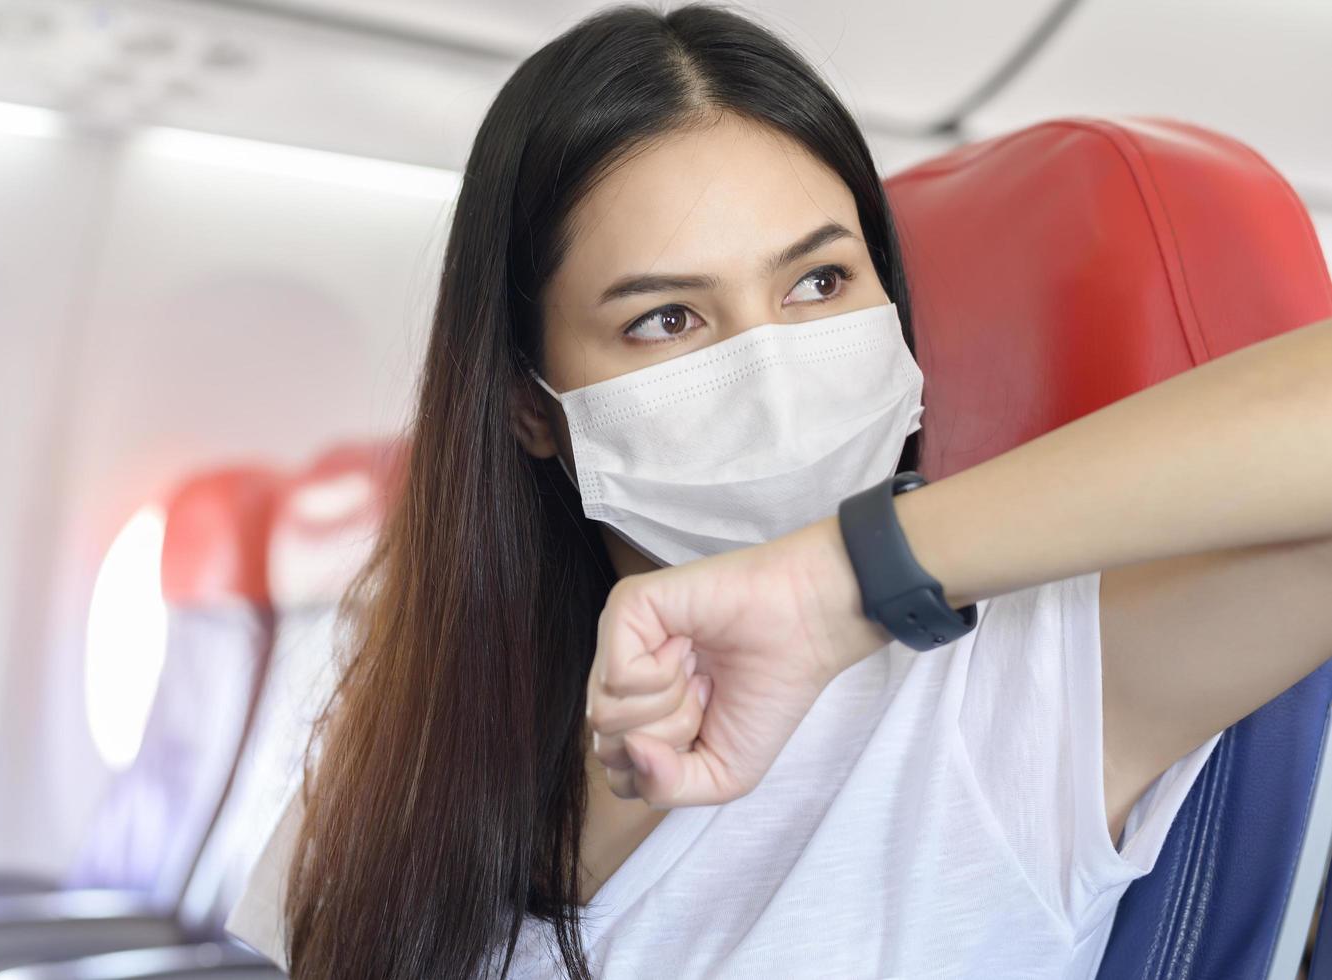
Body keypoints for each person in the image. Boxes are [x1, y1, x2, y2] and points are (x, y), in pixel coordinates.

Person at [223, 3, 1332, 977]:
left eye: (819, 281)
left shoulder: (1014, 689)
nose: (771, 364)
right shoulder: (406, 750)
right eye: (667, 317)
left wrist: (840, 580)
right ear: (530, 407)